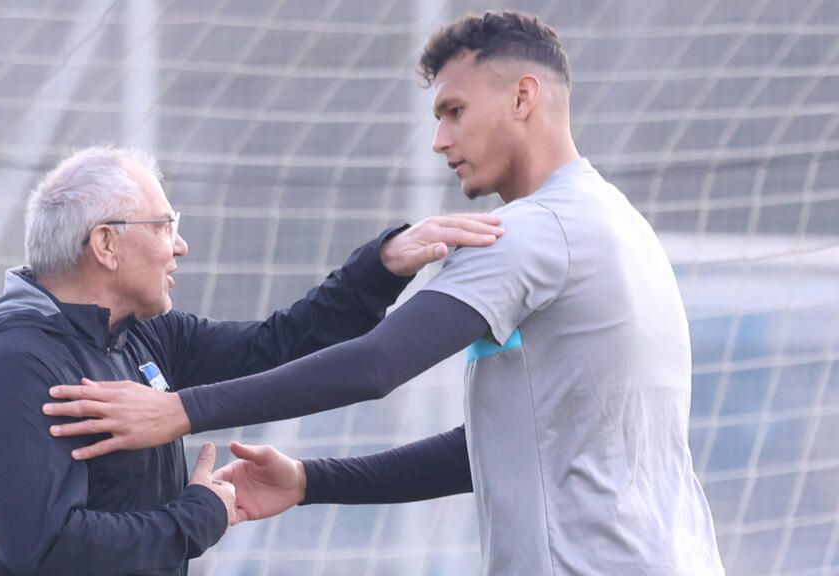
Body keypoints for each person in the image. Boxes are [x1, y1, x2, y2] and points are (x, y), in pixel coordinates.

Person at [43, 11, 725, 575]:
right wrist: (311, 481)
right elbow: (499, 445)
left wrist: (180, 411)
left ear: (524, 97)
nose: (439, 140)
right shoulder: (620, 223)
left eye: (455, 111)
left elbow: (377, 365)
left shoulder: (527, 232)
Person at [0, 145, 502, 575]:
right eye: (165, 226)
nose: (179, 246)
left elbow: (281, 344)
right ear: (105, 245)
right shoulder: (12, 363)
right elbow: (47, 547)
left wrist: (381, 268)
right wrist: (198, 515)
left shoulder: (146, 337)